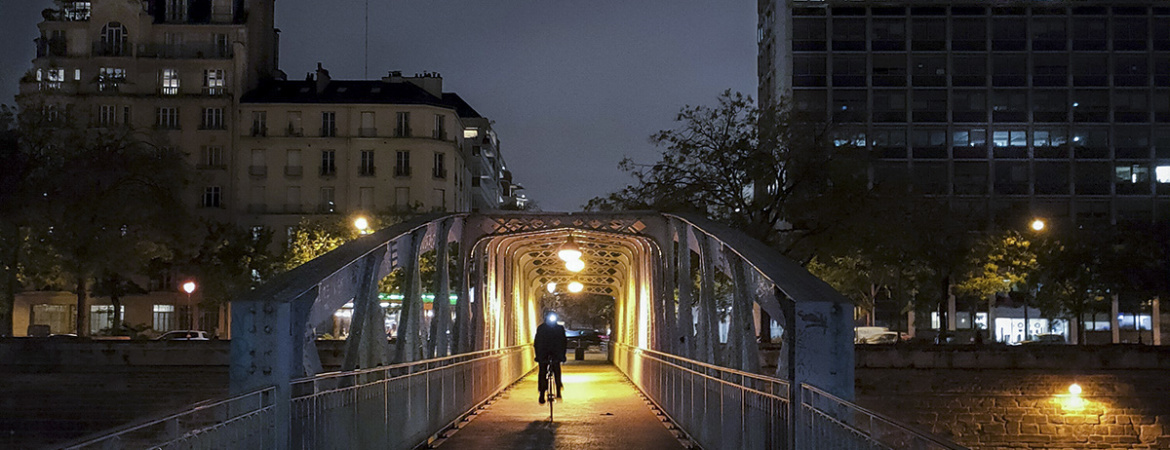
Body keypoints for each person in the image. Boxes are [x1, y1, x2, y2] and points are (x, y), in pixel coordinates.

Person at [534, 310, 567, 404]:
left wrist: (562, 355)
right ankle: (541, 393)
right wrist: (538, 356)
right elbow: (537, 342)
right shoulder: (541, 328)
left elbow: (563, 342)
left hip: (555, 352)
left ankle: (558, 389)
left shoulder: (559, 328)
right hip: (544, 353)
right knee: (542, 371)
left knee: (556, 368)